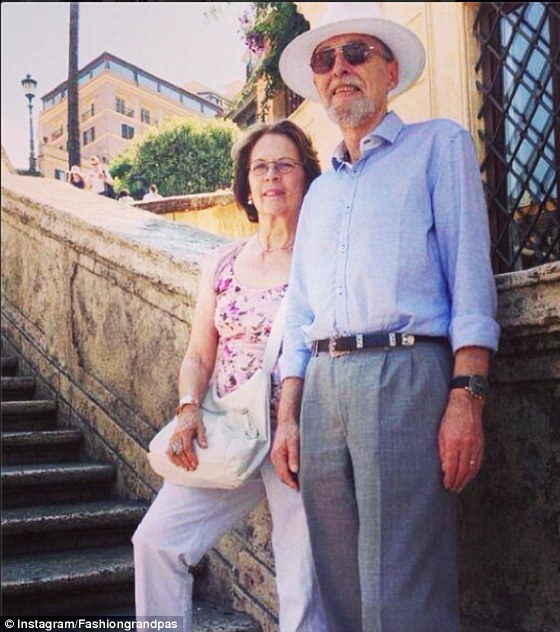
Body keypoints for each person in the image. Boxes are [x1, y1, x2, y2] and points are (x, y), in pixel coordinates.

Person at [271, 3, 501, 632]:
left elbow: (470, 279)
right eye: (326, 59)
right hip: (322, 389)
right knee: (340, 586)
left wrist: (467, 396)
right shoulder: (319, 192)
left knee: (404, 589)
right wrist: (288, 414)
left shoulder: (439, 146)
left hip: (405, 374)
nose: (339, 69)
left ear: (390, 71)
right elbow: (301, 311)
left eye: (356, 53)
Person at [132, 120, 326, 632]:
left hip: (297, 433)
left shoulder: (323, 257)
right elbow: (198, 354)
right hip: (229, 429)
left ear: (306, 176)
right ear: (246, 184)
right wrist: (187, 409)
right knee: (155, 542)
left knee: (302, 581)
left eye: (284, 165)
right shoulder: (221, 261)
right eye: (260, 167)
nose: (271, 176)